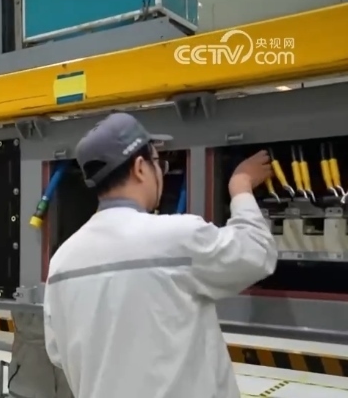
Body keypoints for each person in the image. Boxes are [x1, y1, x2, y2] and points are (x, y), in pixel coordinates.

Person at [43, 113, 277, 398]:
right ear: (140, 168)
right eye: (158, 162)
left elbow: (58, 352)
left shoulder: (62, 262)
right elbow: (256, 252)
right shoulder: (177, 237)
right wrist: (240, 187)